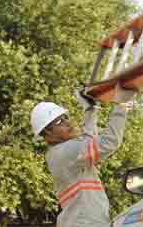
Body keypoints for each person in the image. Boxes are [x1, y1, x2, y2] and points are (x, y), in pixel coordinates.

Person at [30, 86, 136, 227]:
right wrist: (121, 106)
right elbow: (109, 142)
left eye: (65, 117)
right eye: (59, 122)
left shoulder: (60, 152)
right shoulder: (64, 152)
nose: (68, 122)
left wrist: (90, 109)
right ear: (47, 134)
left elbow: (88, 141)